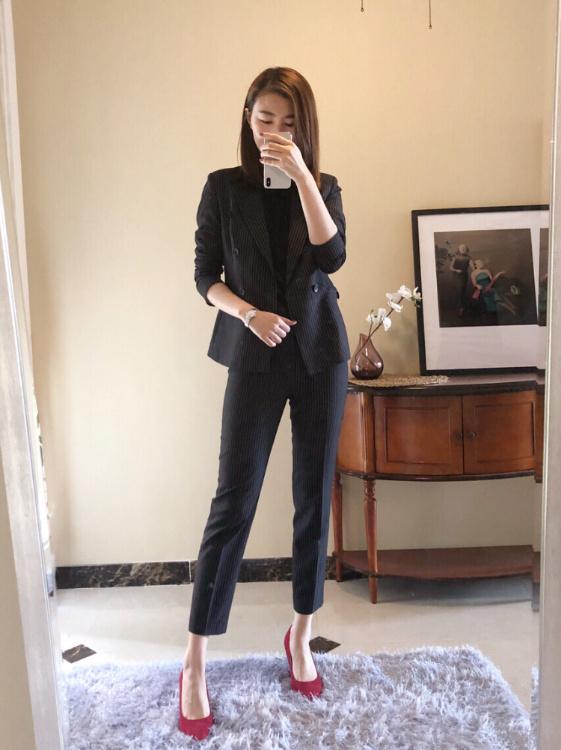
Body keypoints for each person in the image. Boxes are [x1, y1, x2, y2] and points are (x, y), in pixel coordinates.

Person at [179, 67, 351, 739]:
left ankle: (301, 634)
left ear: (304, 127)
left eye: (287, 122)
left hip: (318, 355)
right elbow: (204, 275)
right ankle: (194, 660)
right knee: (234, 500)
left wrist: (303, 174)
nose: (273, 132)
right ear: (247, 118)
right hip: (253, 353)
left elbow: (332, 257)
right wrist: (248, 313)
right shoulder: (223, 188)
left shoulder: (324, 185)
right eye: (263, 120)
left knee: (313, 496)